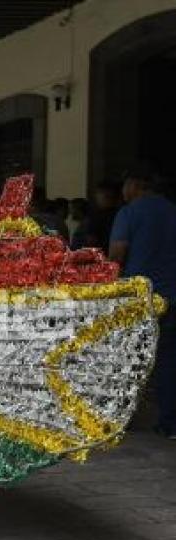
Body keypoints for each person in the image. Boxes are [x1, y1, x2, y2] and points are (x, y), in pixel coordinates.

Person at [109, 165, 176, 439]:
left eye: (125, 186)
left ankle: (119, 419)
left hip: (140, 297)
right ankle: (169, 422)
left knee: (129, 357)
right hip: (173, 294)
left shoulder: (129, 213)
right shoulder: (173, 210)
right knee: (169, 360)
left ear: (136, 185)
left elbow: (116, 254)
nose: (123, 192)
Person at [84, 181, 123, 251]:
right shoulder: (122, 215)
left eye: (98, 193)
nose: (96, 197)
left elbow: (91, 241)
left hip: (100, 255)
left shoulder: (97, 216)